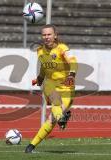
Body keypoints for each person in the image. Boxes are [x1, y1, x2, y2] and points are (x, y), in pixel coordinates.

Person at [25, 24, 78, 153]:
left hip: (67, 88)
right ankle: (30, 147)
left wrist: (71, 74)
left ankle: (32, 144)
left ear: (55, 35)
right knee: (55, 107)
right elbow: (44, 67)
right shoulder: (40, 51)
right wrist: (40, 78)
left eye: (49, 34)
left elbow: (73, 62)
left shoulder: (62, 48)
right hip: (50, 86)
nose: (46, 37)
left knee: (52, 119)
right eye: (44, 35)